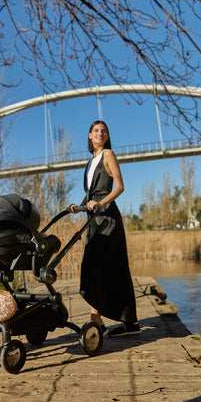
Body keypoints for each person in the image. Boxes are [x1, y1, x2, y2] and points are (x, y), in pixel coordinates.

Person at [67, 120, 140, 336]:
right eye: (96, 131)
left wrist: (100, 204)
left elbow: (120, 186)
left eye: (104, 131)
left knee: (96, 266)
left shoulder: (108, 154)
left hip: (108, 219)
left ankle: (96, 321)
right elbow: (91, 194)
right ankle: (130, 323)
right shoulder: (90, 162)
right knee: (110, 268)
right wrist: (78, 206)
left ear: (107, 136)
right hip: (94, 219)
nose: (100, 134)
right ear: (89, 135)